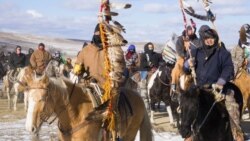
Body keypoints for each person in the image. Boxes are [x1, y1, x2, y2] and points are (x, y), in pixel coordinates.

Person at [184, 25, 244, 141]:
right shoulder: (196, 52)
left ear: (216, 39)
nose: (209, 40)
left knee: (232, 106)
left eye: (212, 38)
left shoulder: (223, 53)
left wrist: (221, 81)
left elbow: (228, 69)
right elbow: (185, 70)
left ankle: (236, 132)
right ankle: (188, 133)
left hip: (218, 88)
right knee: (187, 105)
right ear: (203, 39)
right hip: (200, 88)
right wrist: (188, 64)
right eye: (207, 38)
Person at [171, 25, 200, 91]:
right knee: (176, 69)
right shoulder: (180, 39)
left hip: (193, 57)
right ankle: (174, 84)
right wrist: (186, 55)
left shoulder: (194, 39)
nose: (190, 33)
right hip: (182, 58)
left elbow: (198, 46)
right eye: (189, 32)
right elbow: (179, 51)